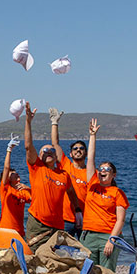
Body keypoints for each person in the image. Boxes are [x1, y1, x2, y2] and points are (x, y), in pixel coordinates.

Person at [23, 102, 83, 247]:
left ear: (56, 156)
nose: (49, 152)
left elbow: (71, 192)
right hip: (38, 224)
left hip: (57, 226)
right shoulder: (37, 167)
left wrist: (77, 210)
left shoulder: (63, 175)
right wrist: (28, 122)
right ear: (40, 156)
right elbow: (28, 146)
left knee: (53, 261)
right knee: (35, 259)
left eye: (52, 151)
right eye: (44, 151)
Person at [79, 119, 129, 270]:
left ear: (114, 174)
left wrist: (111, 240)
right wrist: (92, 136)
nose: (102, 171)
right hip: (88, 236)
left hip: (107, 236)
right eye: (101, 169)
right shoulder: (92, 185)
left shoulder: (117, 193)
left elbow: (120, 220)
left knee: (107, 272)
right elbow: (90, 159)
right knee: (89, 271)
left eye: (107, 169)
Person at [50, 107, 88, 237]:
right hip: (65, 219)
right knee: (63, 253)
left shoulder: (90, 173)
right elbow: (55, 144)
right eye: (75, 148)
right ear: (71, 153)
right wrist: (55, 123)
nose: (78, 150)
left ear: (86, 153)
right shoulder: (66, 164)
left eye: (81, 148)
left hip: (85, 219)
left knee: (84, 254)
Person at [0, 136, 32, 238]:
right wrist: (9, 150)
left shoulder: (23, 190)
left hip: (19, 231)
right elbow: (6, 167)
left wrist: (30, 189)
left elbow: (35, 200)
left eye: (16, 173)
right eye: (12, 174)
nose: (16, 174)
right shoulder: (6, 189)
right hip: (6, 229)